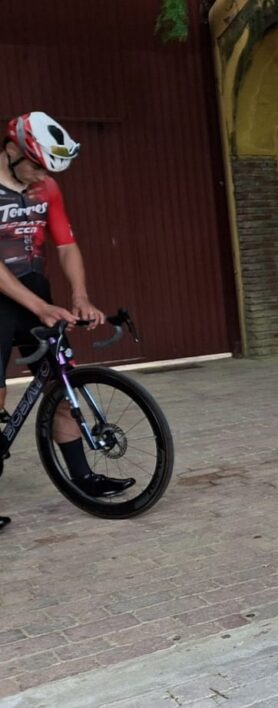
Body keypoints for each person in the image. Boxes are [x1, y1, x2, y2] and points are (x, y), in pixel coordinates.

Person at [0, 111, 118, 532]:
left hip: (35, 292)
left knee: (61, 386)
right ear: (11, 150)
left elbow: (66, 246)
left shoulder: (46, 188)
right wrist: (40, 307)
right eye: (36, 166)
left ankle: (83, 478)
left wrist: (79, 296)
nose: (42, 176)